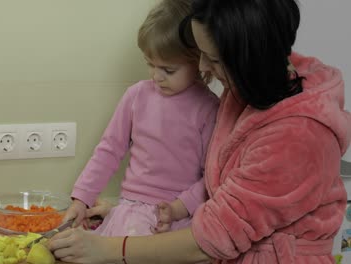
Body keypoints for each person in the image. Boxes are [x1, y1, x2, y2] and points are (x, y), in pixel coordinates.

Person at [49, 0, 351, 263]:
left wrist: (108, 248)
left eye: (214, 59)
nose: (203, 68)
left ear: (251, 56)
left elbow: (213, 236)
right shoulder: (241, 93)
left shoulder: (300, 135)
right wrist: (120, 210)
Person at [63, 0, 219, 237]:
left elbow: (212, 177)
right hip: (131, 211)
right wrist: (81, 199)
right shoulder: (136, 96)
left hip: (180, 217)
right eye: (150, 64)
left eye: (168, 70)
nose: (156, 76)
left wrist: (180, 207)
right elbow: (108, 150)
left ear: (199, 61)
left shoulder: (209, 108)